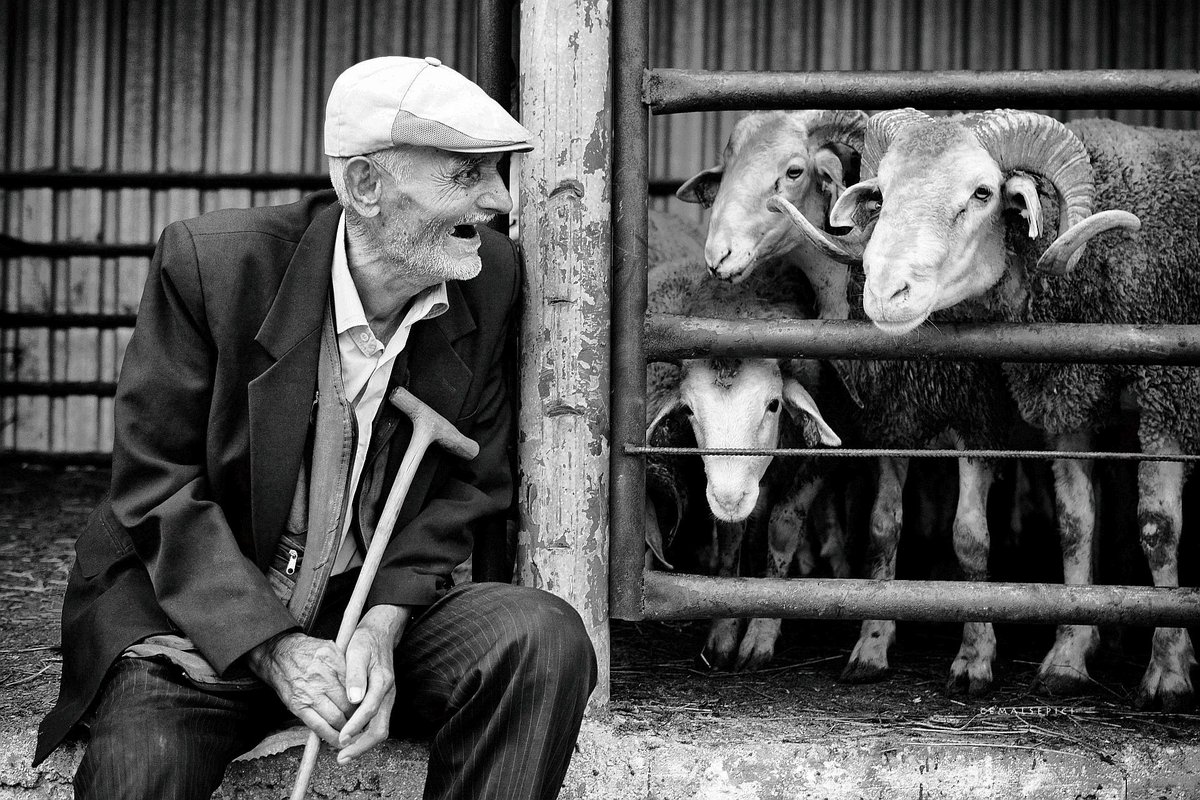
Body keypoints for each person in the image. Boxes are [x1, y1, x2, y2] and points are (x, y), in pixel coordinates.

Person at [33, 55, 597, 800]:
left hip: (356, 611)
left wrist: (382, 627)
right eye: (465, 176)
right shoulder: (213, 265)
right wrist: (275, 650)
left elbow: (471, 480)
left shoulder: (488, 275)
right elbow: (157, 487)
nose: (497, 200)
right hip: (204, 621)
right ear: (364, 186)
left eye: (495, 173)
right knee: (143, 768)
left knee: (542, 637)